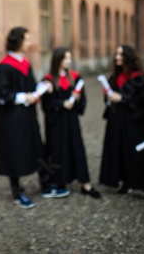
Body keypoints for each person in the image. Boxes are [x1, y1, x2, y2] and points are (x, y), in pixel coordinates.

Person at [0, 27, 68, 209]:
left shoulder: (24, 63)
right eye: (26, 40)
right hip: (11, 120)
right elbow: (2, 95)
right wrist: (24, 97)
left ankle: (46, 185)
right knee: (15, 151)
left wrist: (42, 86)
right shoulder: (3, 67)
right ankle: (17, 191)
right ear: (18, 42)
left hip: (28, 116)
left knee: (37, 148)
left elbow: (32, 86)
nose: (29, 43)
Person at [41, 47, 101, 198]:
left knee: (76, 148)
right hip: (56, 123)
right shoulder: (48, 80)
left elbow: (83, 100)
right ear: (58, 60)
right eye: (65, 58)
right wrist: (61, 104)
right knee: (58, 150)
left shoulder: (75, 77)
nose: (68, 61)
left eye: (69, 58)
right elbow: (46, 105)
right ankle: (61, 180)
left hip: (71, 120)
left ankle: (85, 183)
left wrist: (78, 100)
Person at [99, 45, 144, 194]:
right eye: (117, 54)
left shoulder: (139, 77)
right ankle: (122, 181)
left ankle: (135, 181)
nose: (117, 57)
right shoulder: (114, 76)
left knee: (131, 150)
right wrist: (109, 97)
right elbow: (107, 99)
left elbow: (143, 100)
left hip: (132, 121)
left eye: (121, 55)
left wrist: (123, 99)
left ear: (129, 56)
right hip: (115, 120)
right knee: (116, 149)